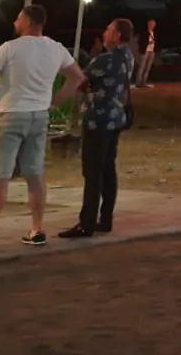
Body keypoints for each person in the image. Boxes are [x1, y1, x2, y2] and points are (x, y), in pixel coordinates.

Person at [0, 5, 84, 255]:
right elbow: (77, 77)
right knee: (35, 174)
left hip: (11, 115)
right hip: (39, 116)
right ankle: (36, 229)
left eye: (18, 18)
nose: (15, 22)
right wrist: (54, 102)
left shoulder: (9, 48)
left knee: (0, 178)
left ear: (28, 21)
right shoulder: (56, 48)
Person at [60, 18, 135, 239]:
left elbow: (81, 80)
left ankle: (87, 222)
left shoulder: (105, 59)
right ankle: (105, 218)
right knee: (108, 169)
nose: (105, 33)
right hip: (116, 119)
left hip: (97, 120)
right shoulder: (128, 57)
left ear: (117, 35)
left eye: (109, 30)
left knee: (92, 172)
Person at [133, 18, 158, 88]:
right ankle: (138, 82)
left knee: (148, 67)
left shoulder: (154, 33)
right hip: (145, 51)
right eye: (152, 24)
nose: (153, 26)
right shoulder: (144, 33)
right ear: (148, 24)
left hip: (152, 51)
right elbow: (140, 41)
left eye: (154, 25)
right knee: (142, 67)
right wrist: (148, 43)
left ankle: (144, 81)